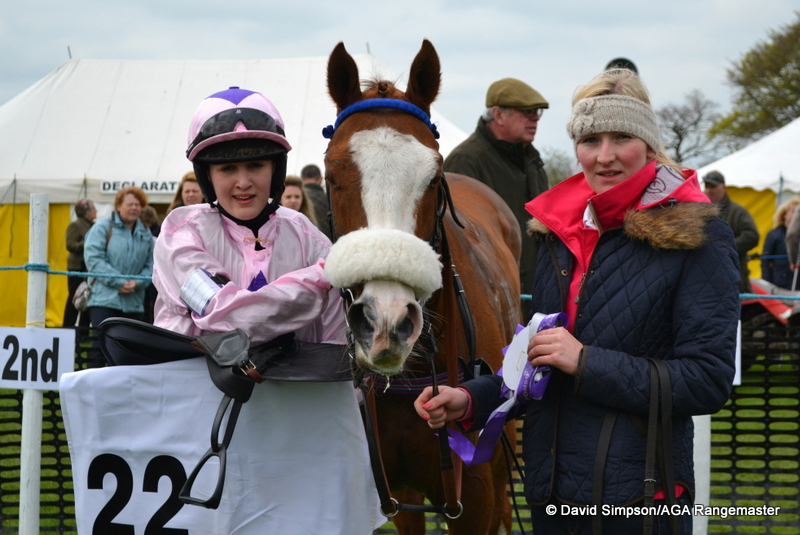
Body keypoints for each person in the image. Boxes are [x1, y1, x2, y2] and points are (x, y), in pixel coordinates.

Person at [415, 69, 740, 534]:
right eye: (590, 140)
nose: (604, 156)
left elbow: (708, 380)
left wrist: (585, 362)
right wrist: (471, 398)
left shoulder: (701, 237)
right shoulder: (556, 235)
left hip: (640, 499)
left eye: (622, 138)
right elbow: (540, 364)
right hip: (551, 494)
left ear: (649, 145)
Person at [152, 86, 381, 532]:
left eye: (256, 165)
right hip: (196, 429)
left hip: (290, 435)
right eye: (227, 168)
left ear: (276, 170)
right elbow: (226, 317)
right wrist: (321, 276)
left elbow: (334, 346)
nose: (243, 182)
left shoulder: (307, 235)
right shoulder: (181, 232)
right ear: (206, 175)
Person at [443, 77, 549, 315]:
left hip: (534, 297)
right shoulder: (466, 161)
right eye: (527, 112)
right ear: (498, 115)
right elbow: (460, 244)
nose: (535, 118)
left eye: (538, 112)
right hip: (493, 303)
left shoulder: (532, 161)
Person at [83, 186, 155, 367]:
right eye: (129, 204)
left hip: (134, 303)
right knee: (99, 350)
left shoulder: (146, 234)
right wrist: (119, 282)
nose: (134, 208)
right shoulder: (102, 227)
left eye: (137, 205)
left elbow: (152, 265)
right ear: (118, 206)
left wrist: (137, 283)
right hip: (103, 301)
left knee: (128, 353)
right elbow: (93, 259)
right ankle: (93, 385)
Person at [702, 170, 760, 293]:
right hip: (704, 277)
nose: (709, 190)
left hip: (733, 276)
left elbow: (752, 236)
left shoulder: (738, 212)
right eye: (707, 186)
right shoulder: (698, 211)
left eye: (713, 186)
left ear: (724, 188)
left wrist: (724, 248)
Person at [62, 199, 97, 328]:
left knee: (88, 298)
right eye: (93, 209)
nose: (96, 211)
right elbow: (70, 245)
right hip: (76, 267)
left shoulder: (94, 226)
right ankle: (68, 328)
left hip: (89, 268)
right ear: (85, 212)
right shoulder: (75, 225)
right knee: (74, 298)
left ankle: (83, 330)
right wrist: (89, 243)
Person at [761, 196, 800, 290]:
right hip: (778, 282)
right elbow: (765, 261)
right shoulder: (774, 234)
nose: (795, 215)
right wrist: (767, 283)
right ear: (784, 214)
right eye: (793, 211)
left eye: (797, 212)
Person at [139, 205, 161, 323]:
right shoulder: (138, 232)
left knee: (155, 302)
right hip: (143, 273)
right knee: (144, 304)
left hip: (155, 273)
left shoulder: (159, 232)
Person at [300, 163, 333, 240]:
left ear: (302, 179)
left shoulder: (295, 199)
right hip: (327, 242)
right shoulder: (328, 200)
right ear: (320, 179)